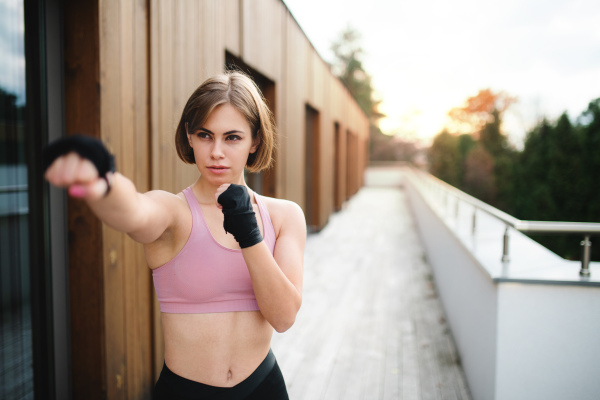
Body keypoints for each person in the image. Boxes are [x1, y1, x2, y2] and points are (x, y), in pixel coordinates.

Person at [44, 71, 305, 399]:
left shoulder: (284, 216)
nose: (216, 152)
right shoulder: (173, 213)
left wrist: (249, 233)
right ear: (190, 136)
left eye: (232, 137)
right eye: (205, 135)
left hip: (263, 387)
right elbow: (134, 211)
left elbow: (283, 318)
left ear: (255, 140)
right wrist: (102, 181)